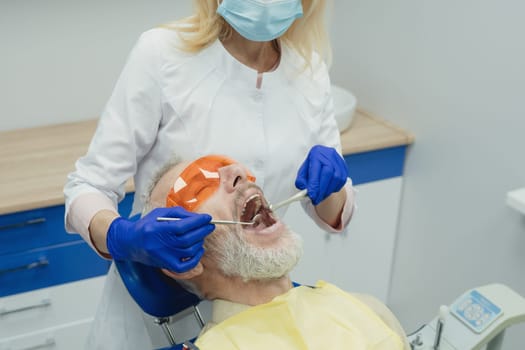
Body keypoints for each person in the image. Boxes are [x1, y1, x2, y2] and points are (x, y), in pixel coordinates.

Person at [64, 0, 356, 348]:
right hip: (150, 323)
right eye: (202, 183)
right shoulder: (163, 54)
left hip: (258, 318)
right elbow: (89, 185)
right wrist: (121, 237)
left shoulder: (308, 72)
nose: (239, 176)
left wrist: (333, 187)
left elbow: (334, 212)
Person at [143, 154, 409, 349]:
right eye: (200, 187)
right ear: (186, 259)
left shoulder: (367, 308)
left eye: (228, 166)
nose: (238, 170)